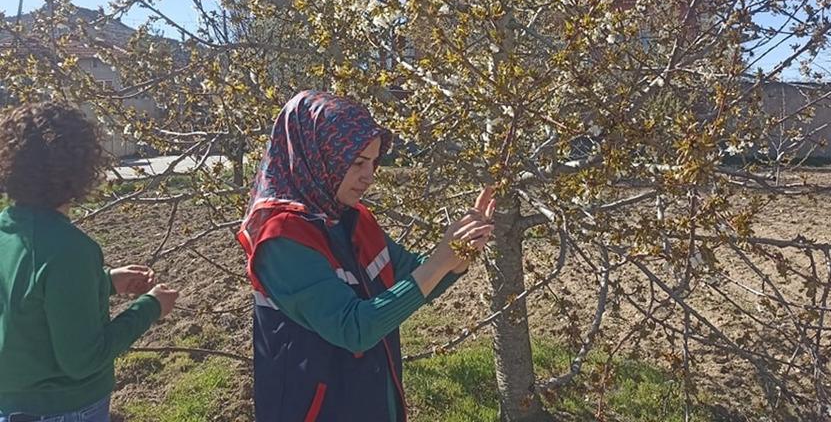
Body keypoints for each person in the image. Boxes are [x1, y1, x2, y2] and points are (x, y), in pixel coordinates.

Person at [238, 90, 495, 422]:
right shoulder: (281, 241)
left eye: (373, 162)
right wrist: (440, 261)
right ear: (319, 155)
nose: (369, 175)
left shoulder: (352, 218)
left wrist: (461, 252)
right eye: (357, 162)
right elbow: (354, 329)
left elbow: (412, 274)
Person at [0, 101, 180, 422]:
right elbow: (83, 358)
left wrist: (105, 281)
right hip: (64, 409)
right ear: (82, 167)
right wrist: (151, 307)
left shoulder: (7, 231)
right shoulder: (70, 249)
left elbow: (29, 299)